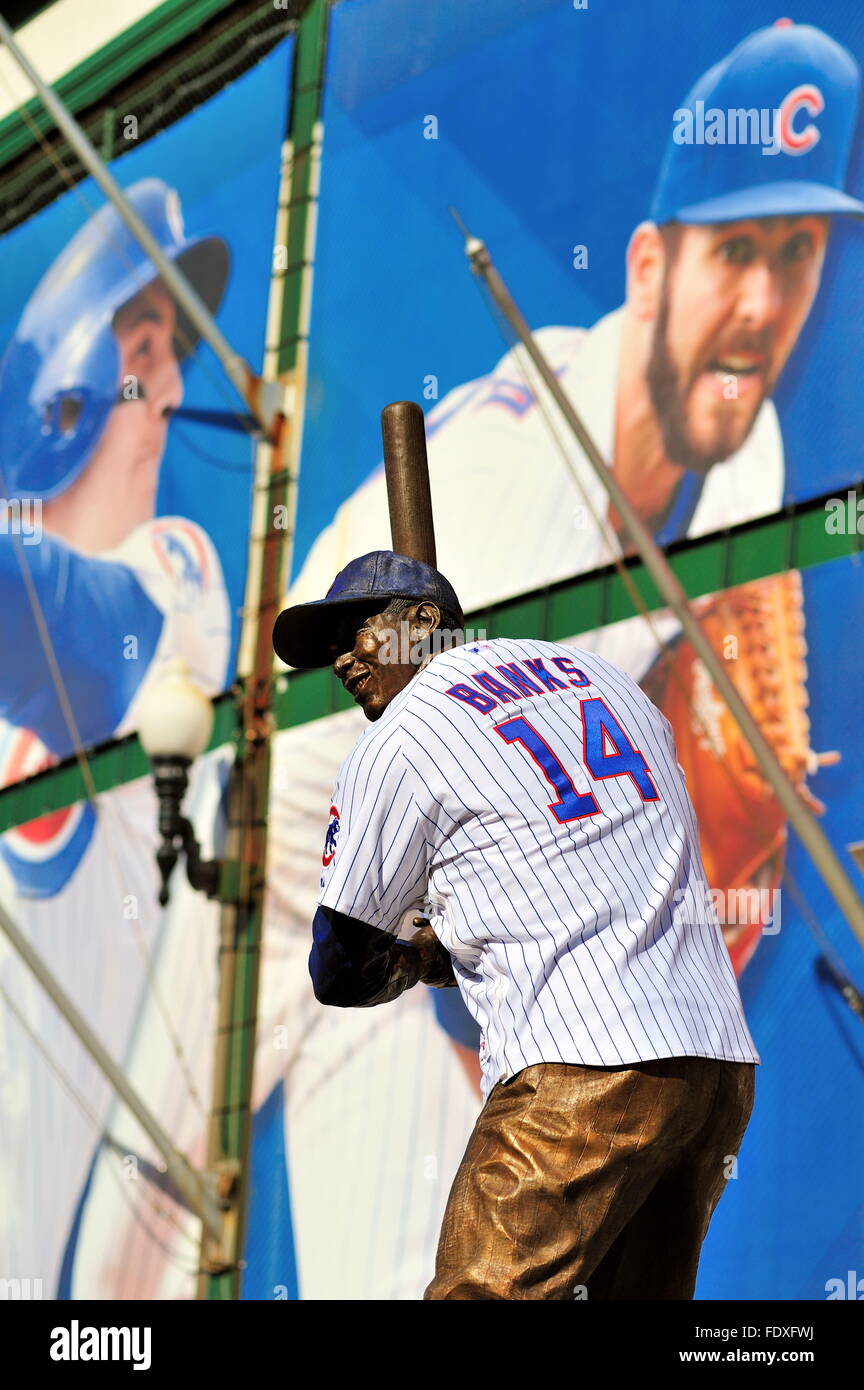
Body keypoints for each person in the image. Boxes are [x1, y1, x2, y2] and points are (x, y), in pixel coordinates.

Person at [285, 19, 858, 977]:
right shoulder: (502, 499)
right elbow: (462, 865)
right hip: (308, 842)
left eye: (796, 254)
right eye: (733, 251)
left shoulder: (748, 445)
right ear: (647, 270)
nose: (762, 305)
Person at [272, 550, 760, 1300]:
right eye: (330, 646)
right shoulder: (601, 677)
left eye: (356, 631)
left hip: (581, 1066)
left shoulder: (402, 737)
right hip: (713, 1072)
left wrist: (422, 953)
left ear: (424, 621)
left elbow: (340, 968)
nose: (341, 658)